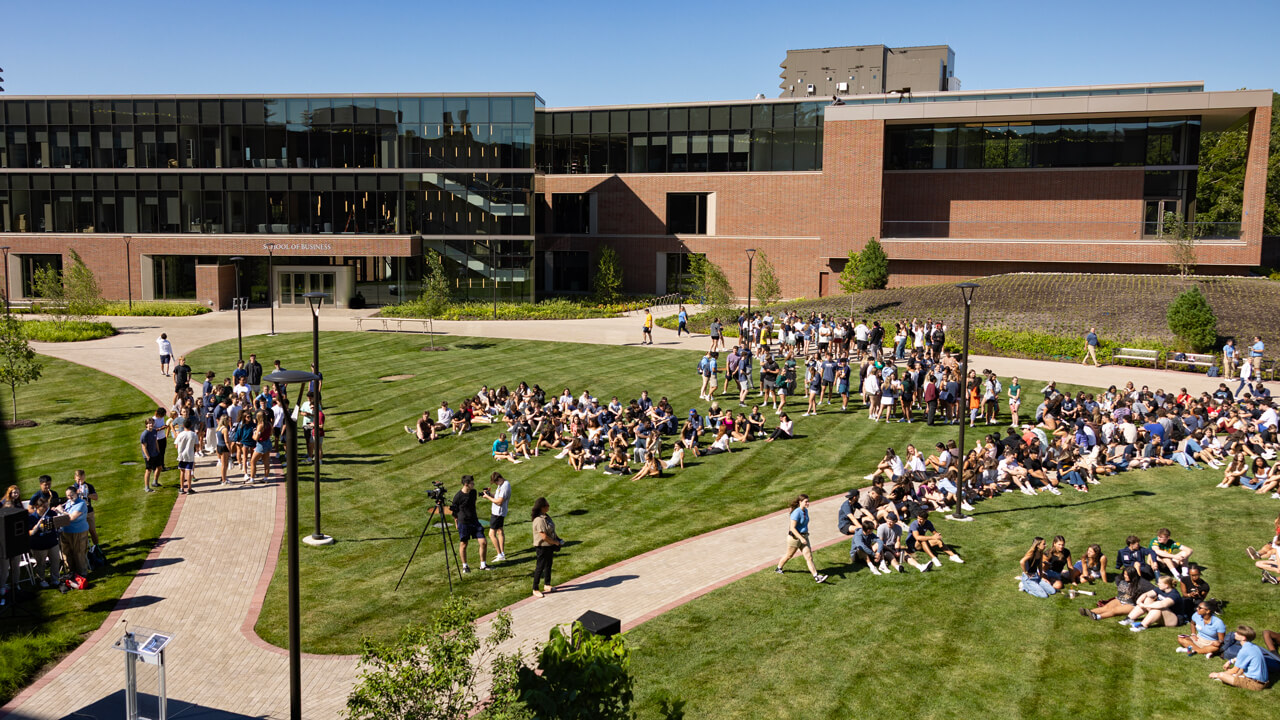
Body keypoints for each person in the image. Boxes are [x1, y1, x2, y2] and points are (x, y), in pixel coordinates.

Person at [774, 494, 828, 583]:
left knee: (809, 557)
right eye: (806, 501)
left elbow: (804, 525)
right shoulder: (796, 512)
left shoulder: (805, 511)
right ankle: (778, 568)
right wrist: (801, 538)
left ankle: (816, 576)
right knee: (789, 555)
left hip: (804, 537)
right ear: (800, 502)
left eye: (808, 501)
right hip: (794, 538)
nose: (808, 503)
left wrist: (805, 534)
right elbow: (792, 528)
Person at [1080, 566, 1154, 621]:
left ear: (1132, 576)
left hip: (1131, 604)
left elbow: (1155, 590)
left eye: (1127, 575)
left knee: (1114, 611)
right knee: (1106, 608)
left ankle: (1097, 617)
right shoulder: (1120, 578)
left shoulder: (1141, 583)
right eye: (1124, 574)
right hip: (1119, 599)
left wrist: (1145, 599)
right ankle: (1088, 612)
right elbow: (1117, 579)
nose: (1125, 576)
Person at [1210, 626, 1270, 690]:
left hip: (1255, 684)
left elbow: (1234, 670)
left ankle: (1226, 677)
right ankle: (1239, 676)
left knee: (1221, 675)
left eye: (1238, 633)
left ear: (1243, 638)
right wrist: (1231, 661)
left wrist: (1216, 674)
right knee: (1237, 671)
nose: (1235, 633)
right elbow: (1243, 660)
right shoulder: (1254, 647)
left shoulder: (1244, 650)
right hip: (1263, 681)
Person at [449, 475, 488, 572]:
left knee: (483, 542)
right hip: (464, 523)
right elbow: (454, 512)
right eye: (472, 483)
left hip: (474, 521)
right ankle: (465, 566)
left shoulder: (473, 492)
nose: (473, 485)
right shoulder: (458, 497)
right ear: (466, 484)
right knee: (464, 544)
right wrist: (456, 522)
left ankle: (483, 565)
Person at [26, 496, 62, 586]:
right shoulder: (31, 518)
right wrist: (38, 525)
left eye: (47, 506)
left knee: (55, 561)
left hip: (52, 542)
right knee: (41, 564)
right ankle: (42, 580)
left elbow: (58, 526)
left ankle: (55, 578)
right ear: (37, 507)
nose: (47, 509)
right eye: (44, 507)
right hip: (39, 545)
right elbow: (30, 533)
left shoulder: (51, 513)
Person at [530, 496, 562, 598]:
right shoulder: (539, 520)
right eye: (547, 505)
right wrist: (555, 543)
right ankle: (535, 588)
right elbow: (543, 536)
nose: (549, 506)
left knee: (549, 565)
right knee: (540, 567)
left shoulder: (547, 517)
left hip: (549, 545)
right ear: (542, 507)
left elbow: (551, 531)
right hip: (542, 547)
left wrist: (557, 539)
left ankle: (547, 585)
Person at [59, 486, 91, 579]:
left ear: (76, 493)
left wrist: (62, 511)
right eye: (67, 496)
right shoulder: (69, 502)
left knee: (78, 552)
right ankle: (71, 571)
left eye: (71, 495)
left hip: (79, 531)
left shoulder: (81, 504)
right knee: (66, 552)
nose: (69, 497)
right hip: (66, 531)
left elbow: (72, 517)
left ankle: (82, 573)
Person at [481, 472, 510, 563]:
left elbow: (499, 502)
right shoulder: (502, 485)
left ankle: (500, 554)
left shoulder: (505, 486)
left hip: (498, 513)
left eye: (496, 482)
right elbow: (497, 497)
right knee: (500, 531)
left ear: (499, 479)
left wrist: (487, 497)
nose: (496, 484)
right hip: (499, 512)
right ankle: (502, 553)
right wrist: (490, 494)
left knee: (491, 534)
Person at [175, 417, 199, 494]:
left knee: (182, 471)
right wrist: (196, 451)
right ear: (191, 425)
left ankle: (182, 488)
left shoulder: (180, 434)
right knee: (189, 471)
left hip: (181, 455)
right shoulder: (193, 434)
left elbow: (176, 445)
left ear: (183, 425)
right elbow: (197, 445)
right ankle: (189, 488)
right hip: (190, 455)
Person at [140, 417, 162, 492]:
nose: (151, 424)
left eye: (152, 423)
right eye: (149, 423)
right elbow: (144, 447)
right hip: (148, 455)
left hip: (155, 453)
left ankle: (155, 482)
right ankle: (147, 487)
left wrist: (158, 451)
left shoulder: (154, 431)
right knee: (148, 470)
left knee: (159, 467)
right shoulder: (145, 434)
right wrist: (147, 456)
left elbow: (155, 441)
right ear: (146, 425)